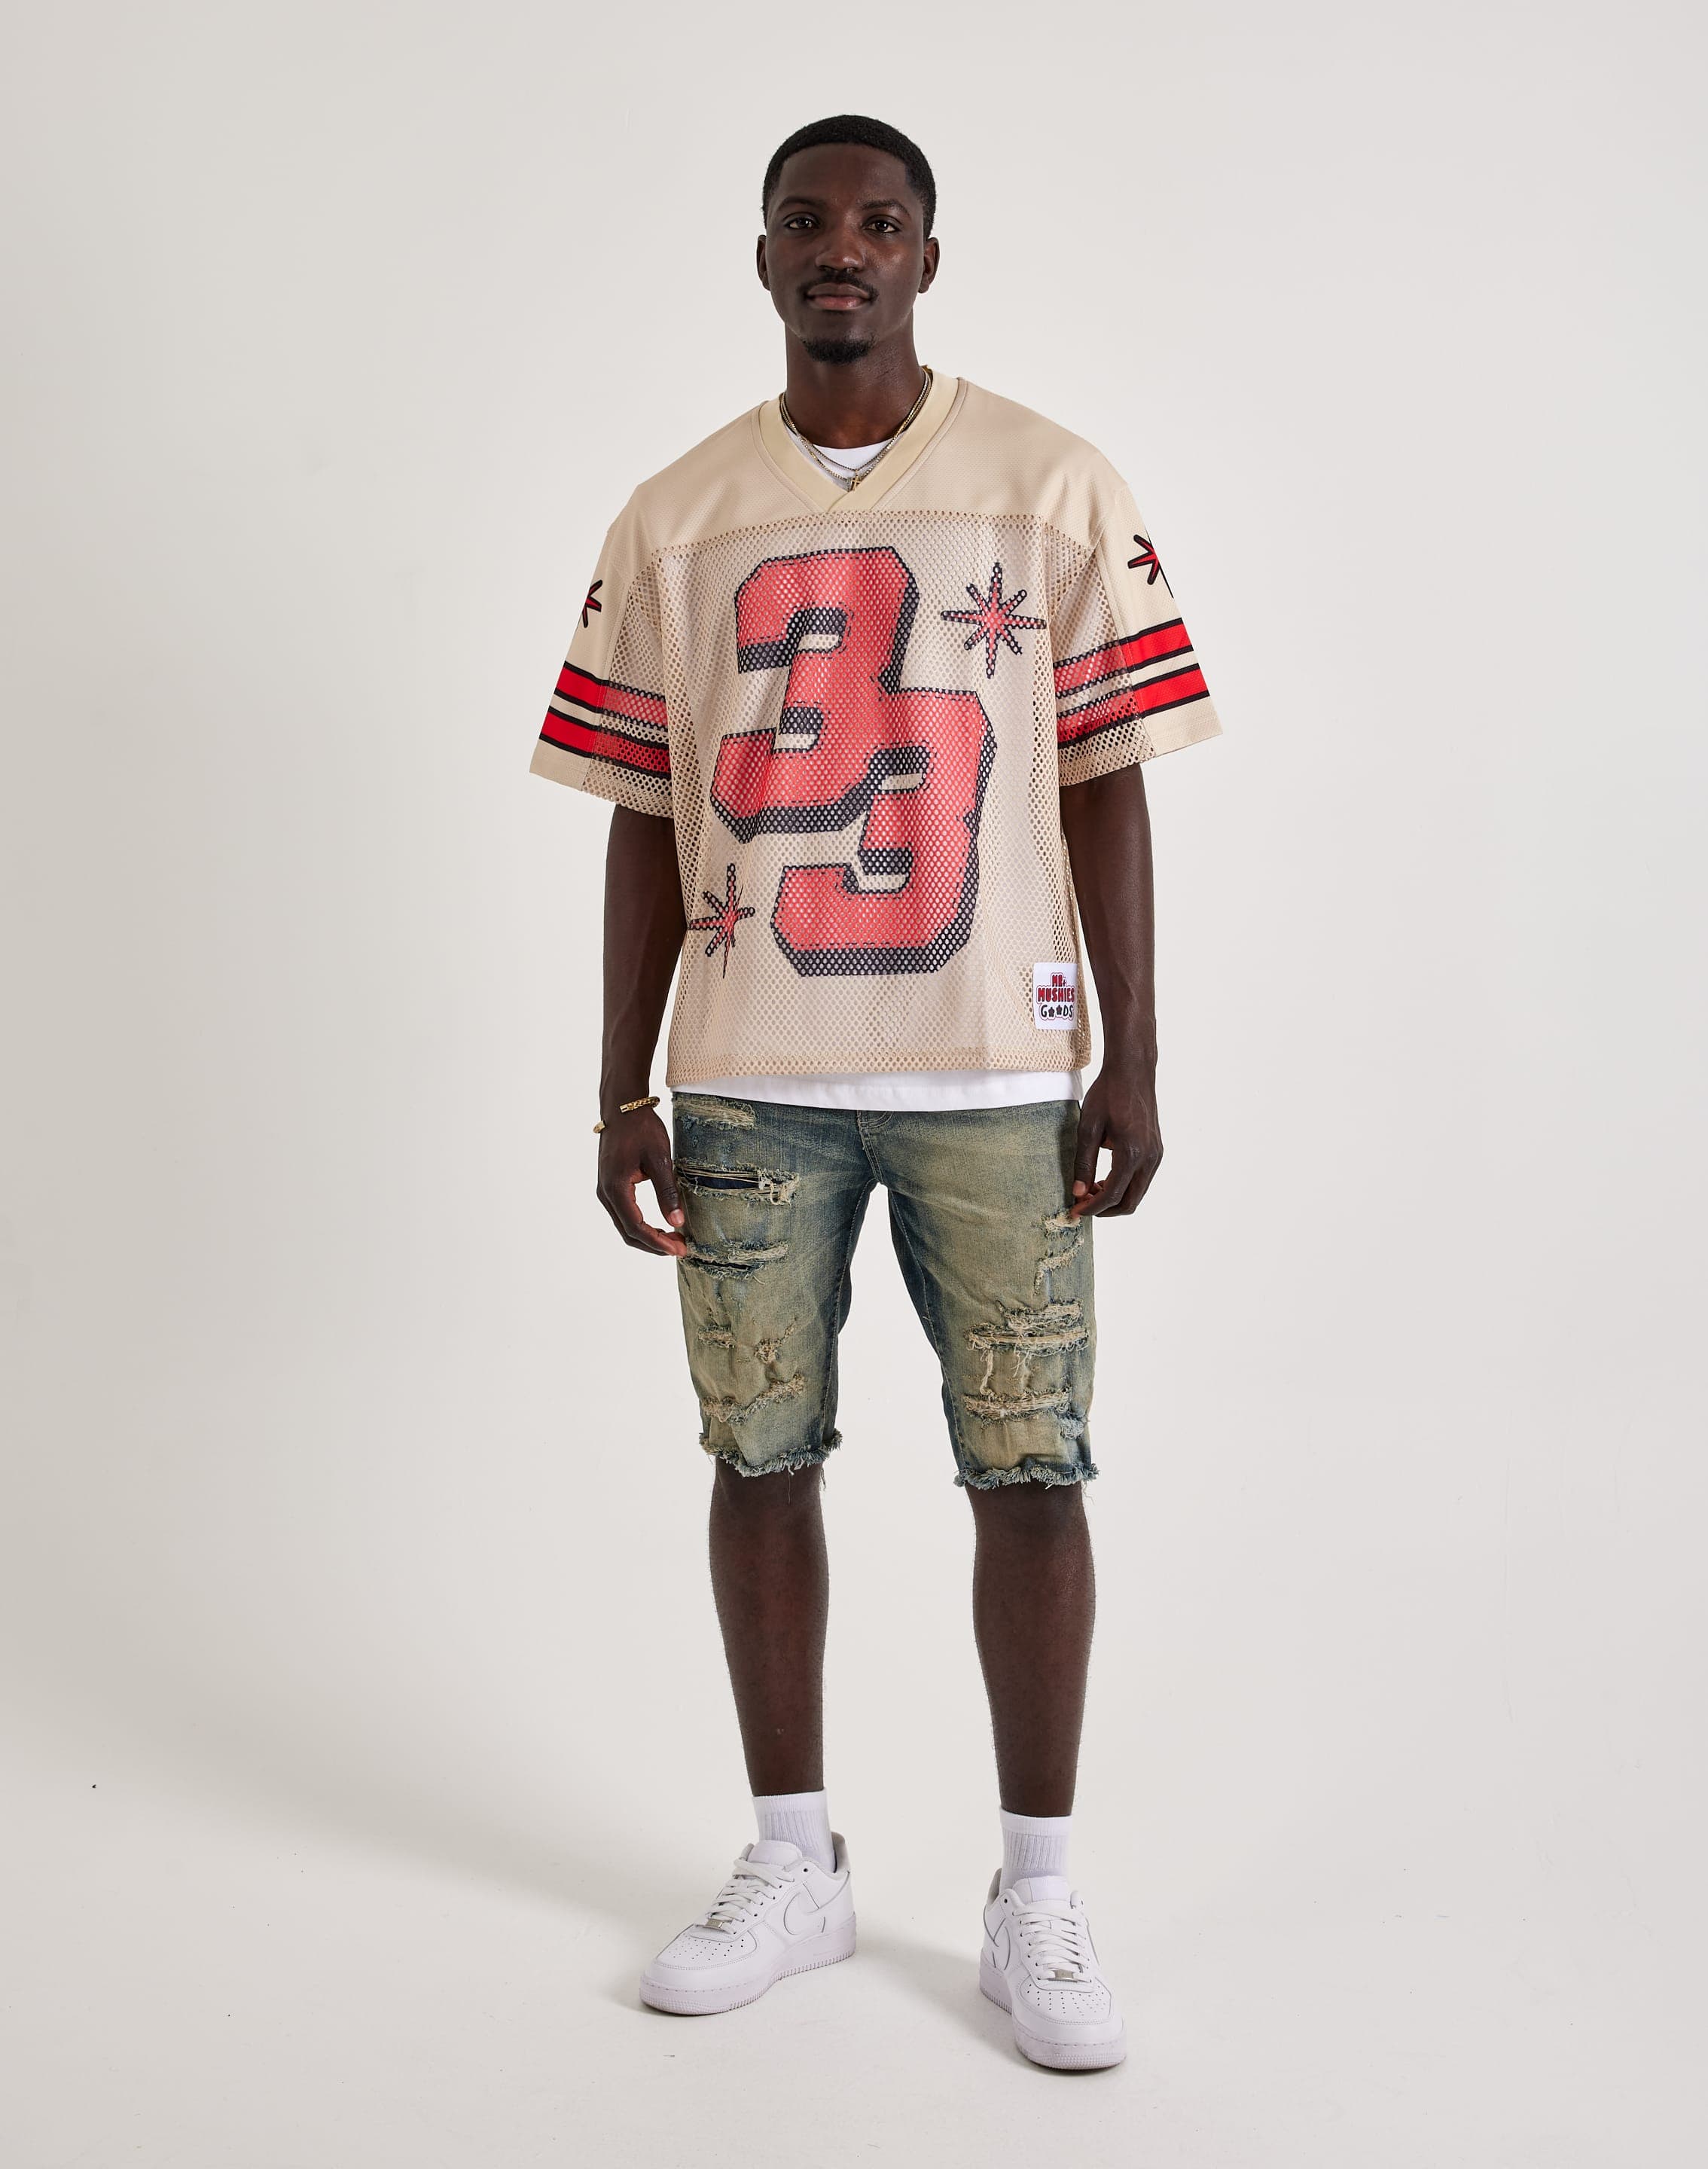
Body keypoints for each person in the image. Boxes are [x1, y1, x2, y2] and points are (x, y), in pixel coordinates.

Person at [529, 114, 1222, 2070]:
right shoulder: (678, 513)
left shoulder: (1047, 485)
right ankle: (792, 1860)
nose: (843, 247)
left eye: (880, 221)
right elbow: (644, 813)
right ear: (763, 257)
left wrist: (1133, 1052)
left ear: (927, 253)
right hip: (752, 1072)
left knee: (1031, 1466)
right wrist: (616, 1087)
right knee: (758, 1454)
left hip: (995, 1065)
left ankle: (1037, 1889)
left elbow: (1106, 776)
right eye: (808, 221)